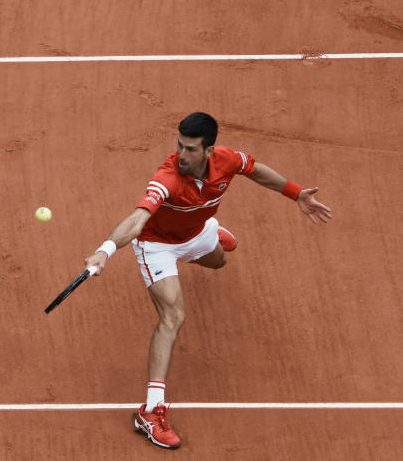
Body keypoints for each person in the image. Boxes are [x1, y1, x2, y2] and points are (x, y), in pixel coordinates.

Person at [83, 112, 332, 450]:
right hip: (157, 245)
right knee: (173, 317)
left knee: (220, 261)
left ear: (210, 151)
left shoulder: (228, 160)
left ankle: (212, 236)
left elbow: (256, 171)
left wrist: (296, 192)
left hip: (195, 232)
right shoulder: (167, 177)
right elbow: (138, 218)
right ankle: (151, 412)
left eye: (190, 149)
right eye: (179, 146)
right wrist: (105, 250)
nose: (181, 155)